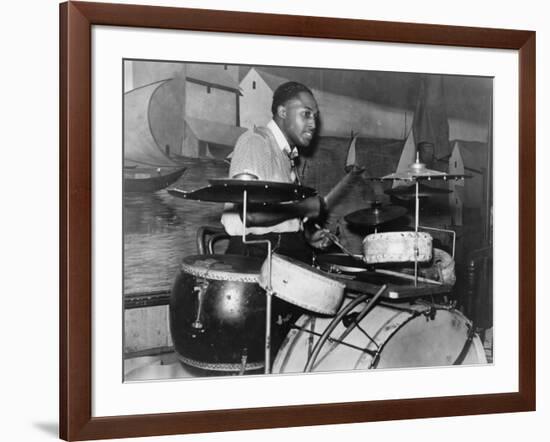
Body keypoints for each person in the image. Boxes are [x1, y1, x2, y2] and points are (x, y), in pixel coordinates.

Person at [221, 81, 331, 263]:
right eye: (306, 114)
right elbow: (250, 214)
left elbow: (278, 220)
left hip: (278, 251)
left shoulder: (286, 155)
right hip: (255, 256)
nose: (313, 124)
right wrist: (304, 207)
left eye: (315, 117)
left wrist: (307, 238)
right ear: (283, 112)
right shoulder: (255, 142)